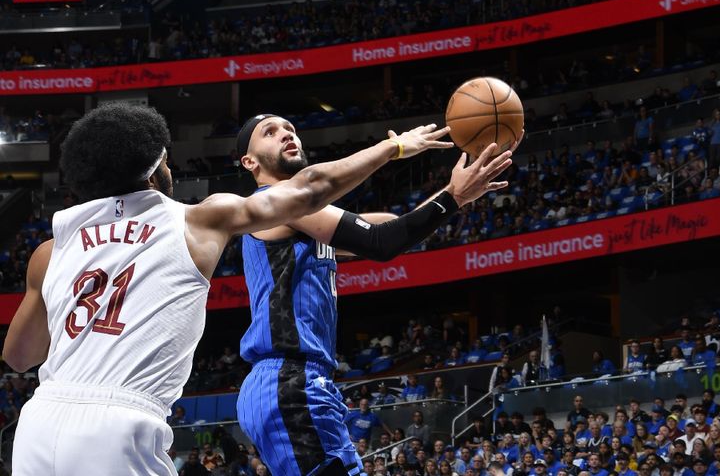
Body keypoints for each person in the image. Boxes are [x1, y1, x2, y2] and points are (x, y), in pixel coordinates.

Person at [2, 104, 471, 476]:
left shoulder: (51, 250)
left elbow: (19, 356)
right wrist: (393, 149)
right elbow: (312, 188)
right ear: (153, 166)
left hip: (39, 423)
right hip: (121, 422)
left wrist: (450, 197)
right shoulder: (195, 218)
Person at [233, 113, 518, 476]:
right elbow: (380, 242)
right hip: (287, 380)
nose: (286, 134)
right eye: (269, 133)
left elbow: (390, 230)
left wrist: (456, 194)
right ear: (250, 162)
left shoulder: (303, 216)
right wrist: (395, 149)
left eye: (290, 128)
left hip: (292, 384)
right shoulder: (273, 201)